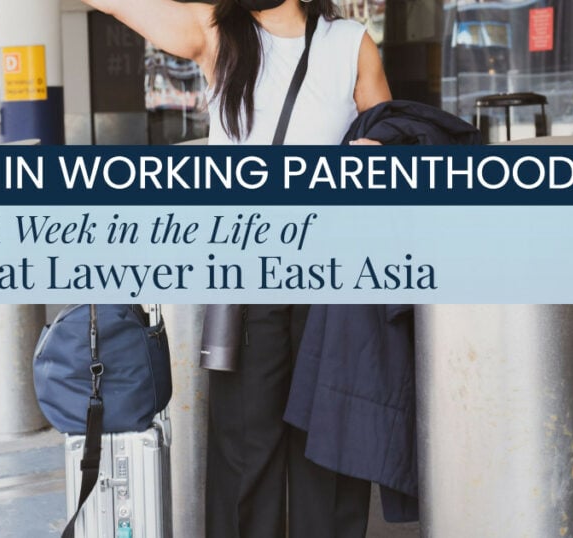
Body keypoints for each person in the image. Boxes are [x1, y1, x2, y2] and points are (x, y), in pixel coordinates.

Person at [81, 1, 393, 537]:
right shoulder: (217, 32)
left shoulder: (351, 44)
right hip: (252, 282)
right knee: (246, 450)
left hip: (335, 283)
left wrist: (376, 148)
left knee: (332, 448)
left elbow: (394, 135)